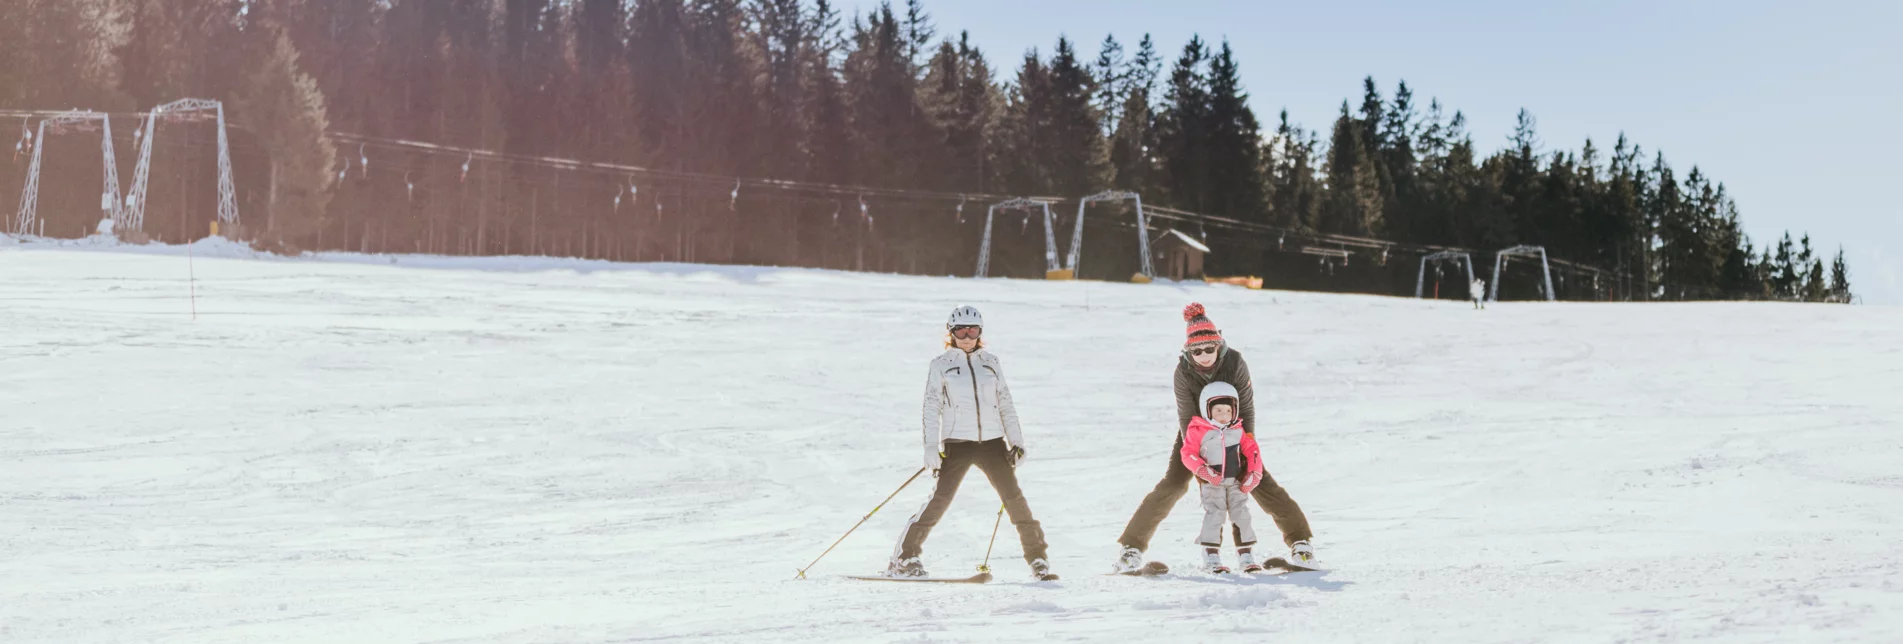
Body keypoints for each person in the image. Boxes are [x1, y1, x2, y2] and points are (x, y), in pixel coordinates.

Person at [1113, 303, 1314, 572]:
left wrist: (1246, 446)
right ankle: (1131, 548)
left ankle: (1301, 543)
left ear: (1218, 345)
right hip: (1196, 433)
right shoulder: (1182, 372)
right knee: (1173, 484)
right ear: (1188, 351)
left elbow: (1248, 406)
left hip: (1234, 429)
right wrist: (1200, 465)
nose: (1204, 355)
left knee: (1258, 480)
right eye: (1197, 351)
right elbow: (1186, 418)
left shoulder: (1234, 362)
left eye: (1210, 348)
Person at [886, 305, 1056, 580]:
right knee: (940, 500)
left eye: (973, 330)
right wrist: (931, 446)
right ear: (951, 333)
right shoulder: (940, 365)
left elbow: (1005, 404)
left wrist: (1017, 441)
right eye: (961, 330)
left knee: (1015, 501)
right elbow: (931, 406)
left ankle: (1038, 558)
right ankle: (905, 557)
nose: (967, 336)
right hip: (957, 443)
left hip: (992, 444)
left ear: (980, 332)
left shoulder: (991, 362)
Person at [1181, 382, 1265, 573]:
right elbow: (1188, 453)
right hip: (1213, 482)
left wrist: (1254, 473)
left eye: (1228, 410)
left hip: (1235, 482)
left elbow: (1252, 450)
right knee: (1215, 515)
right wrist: (1203, 470)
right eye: (1218, 410)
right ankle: (1211, 556)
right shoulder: (1198, 430)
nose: (1224, 415)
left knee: (1241, 514)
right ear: (1207, 409)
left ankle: (1246, 555)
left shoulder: (1237, 430)